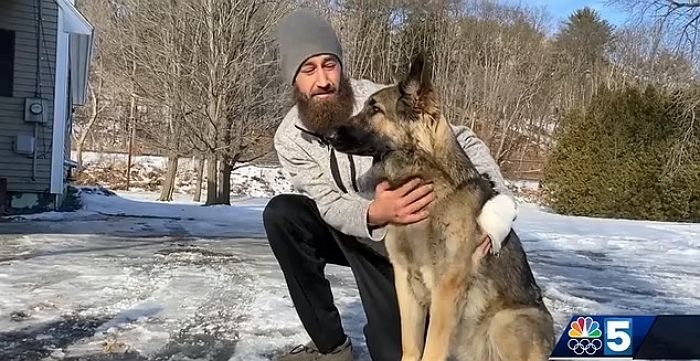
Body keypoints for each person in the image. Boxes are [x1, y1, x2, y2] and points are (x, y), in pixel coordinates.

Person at [263, 9, 518, 361]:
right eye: (308, 70)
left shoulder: (377, 98)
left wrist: (497, 209)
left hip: (404, 241)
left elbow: (461, 141)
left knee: (392, 353)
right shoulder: (289, 138)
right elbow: (328, 203)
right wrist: (374, 211)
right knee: (282, 215)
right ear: (293, 80)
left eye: (329, 64)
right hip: (352, 230)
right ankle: (332, 347)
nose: (323, 79)